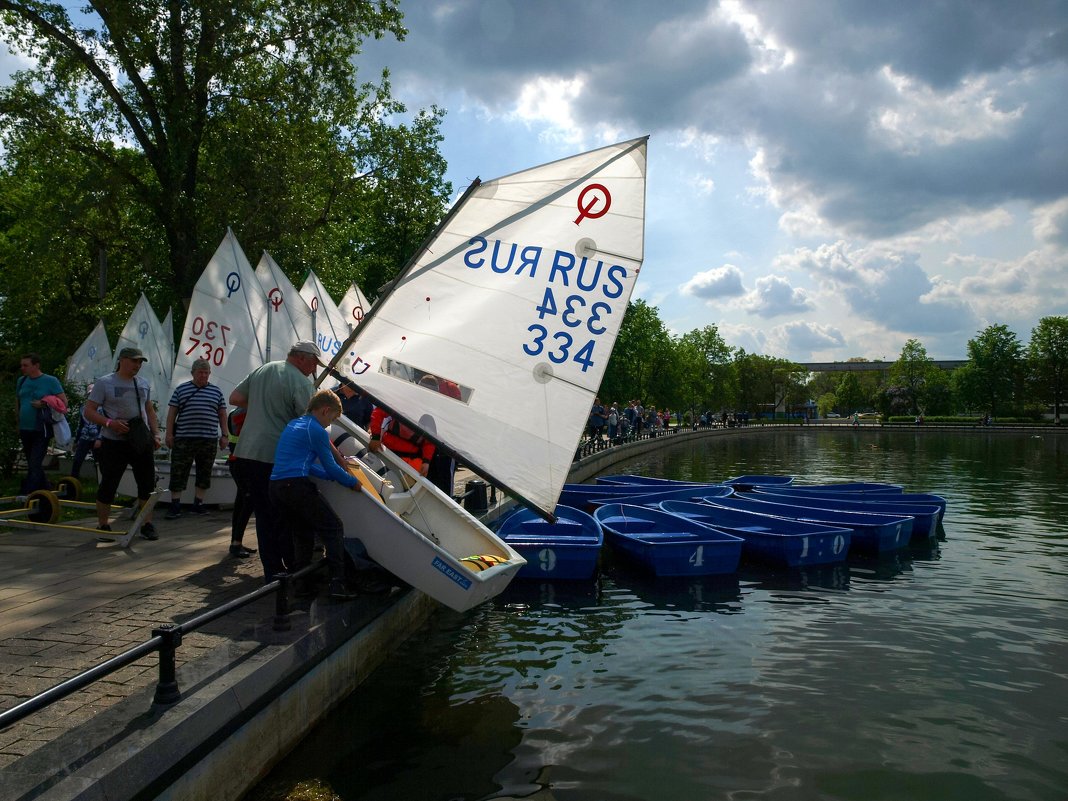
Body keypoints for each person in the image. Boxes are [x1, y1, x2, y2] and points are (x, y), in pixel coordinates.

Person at [229, 341, 320, 582]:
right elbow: (309, 423)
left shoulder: (264, 369)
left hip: (247, 451)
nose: (313, 369)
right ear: (302, 358)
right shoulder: (301, 383)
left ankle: (271, 569)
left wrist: (260, 405)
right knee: (283, 513)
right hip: (276, 454)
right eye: (313, 363)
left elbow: (235, 397)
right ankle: (288, 566)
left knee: (263, 513)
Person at [270, 389, 366, 602]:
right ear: (325, 410)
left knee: (302, 533)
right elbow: (332, 467)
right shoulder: (316, 430)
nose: (329, 425)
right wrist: (353, 483)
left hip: (277, 486)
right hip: (295, 487)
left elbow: (304, 465)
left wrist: (329, 476)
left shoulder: (294, 424)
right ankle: (337, 584)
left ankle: (302, 586)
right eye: (331, 419)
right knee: (333, 527)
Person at [84, 347, 161, 538]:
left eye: (140, 362)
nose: (138, 365)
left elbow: (149, 410)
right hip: (113, 442)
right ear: (122, 360)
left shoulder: (142, 383)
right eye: (134, 361)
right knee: (109, 483)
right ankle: (103, 525)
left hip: (140, 440)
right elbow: (89, 411)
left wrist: (156, 434)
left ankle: (147, 524)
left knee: (147, 484)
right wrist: (110, 423)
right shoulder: (105, 382)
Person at [163, 358, 228, 519]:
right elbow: (172, 414)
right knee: (179, 471)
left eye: (206, 373)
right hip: (184, 438)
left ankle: (198, 503)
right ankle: (175, 505)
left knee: (204, 472)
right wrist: (169, 434)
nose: (204, 375)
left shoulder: (216, 392)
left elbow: (222, 414)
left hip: (208, 439)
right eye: (200, 372)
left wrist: (225, 434)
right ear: (193, 373)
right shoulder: (181, 390)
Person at [15, 353, 67, 494]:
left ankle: (29, 492)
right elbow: (18, 402)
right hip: (25, 427)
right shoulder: (22, 380)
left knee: (35, 461)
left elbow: (63, 402)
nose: (22, 368)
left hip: (41, 428)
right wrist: (17, 423)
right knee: (32, 462)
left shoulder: (50, 381)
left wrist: (44, 403)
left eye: (26, 365)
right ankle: (46, 488)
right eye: (22, 365)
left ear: (36, 365)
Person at [368, 403, 436, 476]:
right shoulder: (399, 403)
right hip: (385, 450)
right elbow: (379, 412)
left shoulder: (428, 418)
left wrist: (426, 461)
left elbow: (430, 442)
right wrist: (376, 437)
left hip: (409, 461)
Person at [225, 407, 256, 558]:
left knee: (241, 502)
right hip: (242, 462)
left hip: (239, 461)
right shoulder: (243, 413)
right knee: (248, 501)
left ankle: (236, 541)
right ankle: (236, 543)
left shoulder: (236, 411)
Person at [70, 387, 102, 480]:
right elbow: (81, 425)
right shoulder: (83, 408)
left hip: (96, 439)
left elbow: (104, 426)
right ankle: (72, 481)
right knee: (77, 460)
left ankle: (100, 481)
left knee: (99, 462)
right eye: (89, 395)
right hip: (85, 437)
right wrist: (76, 441)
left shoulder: (102, 409)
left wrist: (100, 439)